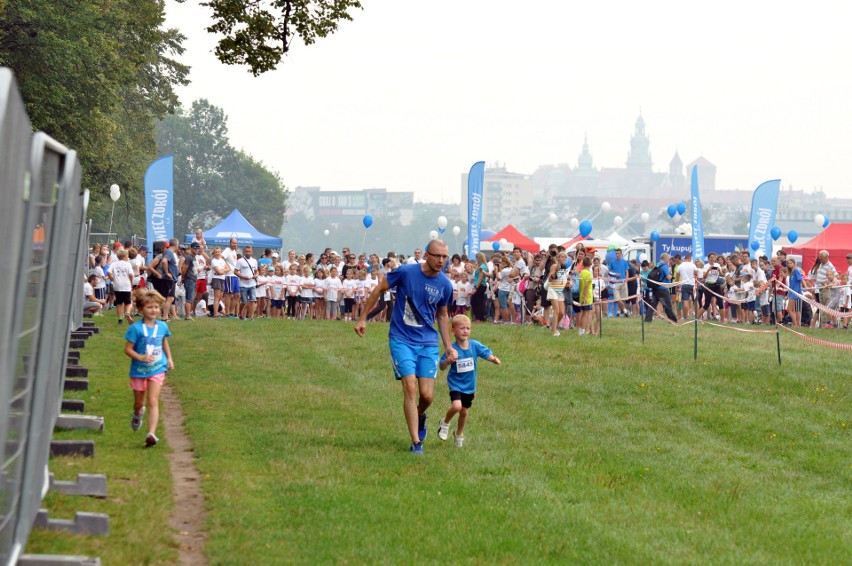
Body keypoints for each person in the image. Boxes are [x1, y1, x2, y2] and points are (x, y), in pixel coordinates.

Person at [354, 239, 457, 455]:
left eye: (444, 257)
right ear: (426, 255)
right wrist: (363, 318)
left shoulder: (445, 285)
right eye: (437, 256)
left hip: (428, 342)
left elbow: (443, 314)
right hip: (401, 338)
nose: (441, 261)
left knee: (427, 396)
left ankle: (419, 415)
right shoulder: (406, 272)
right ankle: (416, 442)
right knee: (410, 387)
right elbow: (379, 289)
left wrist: (447, 345)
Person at [436, 314, 501, 447]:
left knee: (464, 412)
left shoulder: (474, 345)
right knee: (456, 406)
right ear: (453, 331)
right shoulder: (452, 349)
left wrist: (493, 359)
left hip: (470, 386)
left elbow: (485, 353)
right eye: (462, 328)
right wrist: (448, 360)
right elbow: (441, 366)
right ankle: (445, 423)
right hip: (455, 384)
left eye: (468, 328)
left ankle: (459, 434)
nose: (466, 331)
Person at [123, 288, 174, 448]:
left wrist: (170, 359)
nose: (153, 310)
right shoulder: (135, 329)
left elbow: (164, 341)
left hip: (158, 368)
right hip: (139, 370)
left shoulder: (162, 327)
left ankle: (151, 433)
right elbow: (128, 349)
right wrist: (141, 357)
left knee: (153, 400)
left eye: (156, 307)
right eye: (149, 307)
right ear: (141, 309)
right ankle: (137, 414)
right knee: (139, 403)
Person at [644, 253, 678, 323]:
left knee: (653, 304)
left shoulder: (657, 264)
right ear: (665, 258)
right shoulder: (664, 266)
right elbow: (668, 277)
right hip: (663, 288)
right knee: (668, 306)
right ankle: (673, 320)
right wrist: (671, 275)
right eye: (668, 259)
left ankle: (647, 319)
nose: (669, 260)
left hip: (656, 287)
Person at [108, 249, 135, 324]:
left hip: (117, 285)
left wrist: (111, 278)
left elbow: (108, 271)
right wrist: (131, 282)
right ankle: (127, 313)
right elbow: (131, 274)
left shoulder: (114, 264)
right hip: (126, 285)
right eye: (127, 256)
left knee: (119, 302)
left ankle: (120, 319)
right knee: (128, 302)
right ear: (125, 256)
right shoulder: (128, 264)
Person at [546, 251, 569, 336]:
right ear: (558, 258)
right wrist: (556, 272)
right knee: (556, 310)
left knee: (562, 312)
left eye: (565, 257)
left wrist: (568, 283)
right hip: (553, 289)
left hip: (560, 290)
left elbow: (562, 280)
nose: (563, 259)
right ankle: (554, 331)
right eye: (562, 257)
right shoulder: (555, 266)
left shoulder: (564, 268)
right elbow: (550, 279)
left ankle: (554, 326)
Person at [235, 245, 259, 320]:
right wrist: (242, 277)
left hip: (252, 283)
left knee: (252, 300)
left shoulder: (254, 261)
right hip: (243, 284)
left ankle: (251, 317)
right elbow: (235, 271)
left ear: (251, 252)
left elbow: (256, 271)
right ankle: (240, 313)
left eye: (249, 251)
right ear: (244, 252)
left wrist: (256, 275)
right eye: (246, 251)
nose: (248, 253)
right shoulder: (240, 261)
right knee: (244, 301)